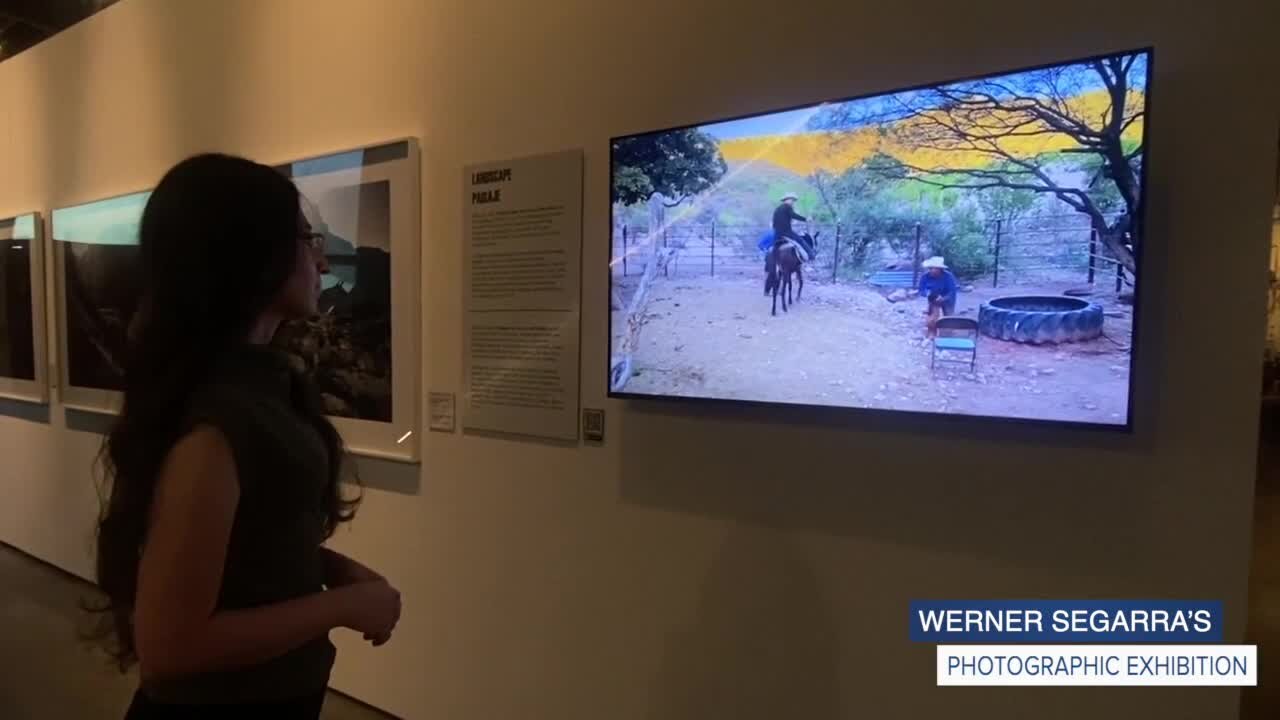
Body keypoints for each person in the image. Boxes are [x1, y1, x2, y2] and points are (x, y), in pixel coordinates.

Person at [90, 153, 402, 718]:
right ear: (255, 256)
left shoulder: (245, 391)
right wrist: (343, 605)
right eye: (306, 238)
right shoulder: (219, 421)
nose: (319, 257)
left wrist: (332, 572)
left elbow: (248, 543)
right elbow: (169, 646)